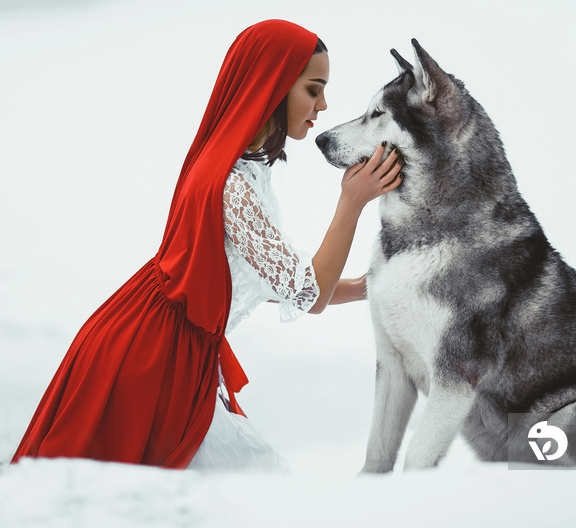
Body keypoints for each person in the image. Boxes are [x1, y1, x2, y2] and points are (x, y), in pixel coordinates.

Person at [11, 19, 403, 470]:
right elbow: (305, 292)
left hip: (163, 350)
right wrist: (351, 201)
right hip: (151, 358)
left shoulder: (237, 169)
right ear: (272, 86)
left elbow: (275, 278)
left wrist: (370, 286)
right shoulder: (230, 184)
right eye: (313, 89)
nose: (324, 104)